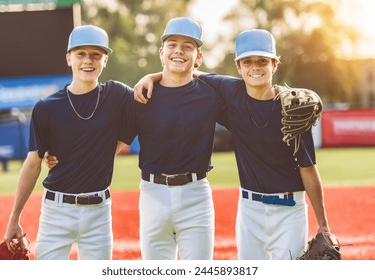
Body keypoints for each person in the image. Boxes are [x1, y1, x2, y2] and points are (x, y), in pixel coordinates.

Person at [134, 29, 331, 260]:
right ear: (238, 66)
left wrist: (323, 225)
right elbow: (186, 71)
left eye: (263, 61)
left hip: (290, 209)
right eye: (247, 62)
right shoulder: (230, 92)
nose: (255, 67)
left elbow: (308, 167)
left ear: (274, 65)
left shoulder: (294, 110)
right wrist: (151, 77)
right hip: (249, 209)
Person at [45, 17, 225, 260]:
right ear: (162, 52)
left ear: (198, 56)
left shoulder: (211, 94)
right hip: (153, 194)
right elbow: (112, 143)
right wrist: (65, 159)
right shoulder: (142, 96)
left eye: (188, 46)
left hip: (196, 193)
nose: (179, 51)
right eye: (172, 44)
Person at [3, 25, 133, 260]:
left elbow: (152, 93)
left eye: (95, 54)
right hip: (57, 212)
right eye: (80, 53)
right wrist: (14, 218)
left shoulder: (117, 95)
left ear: (105, 60)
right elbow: (33, 164)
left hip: (99, 212)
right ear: (68, 58)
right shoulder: (47, 107)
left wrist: (165, 74)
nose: (88, 60)